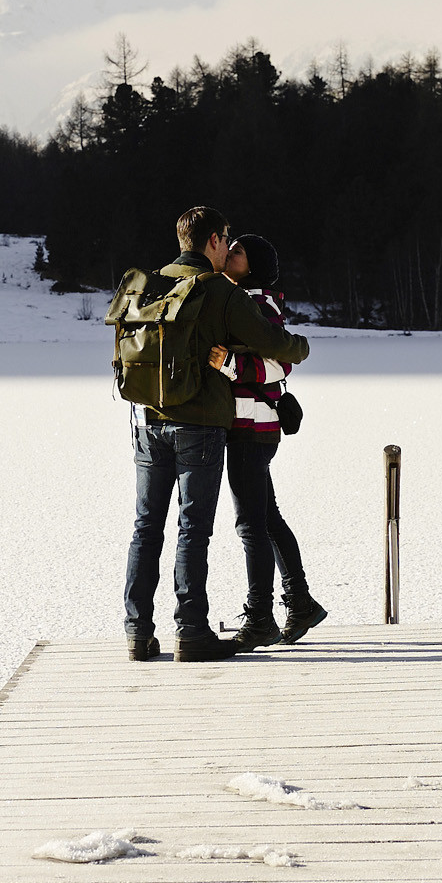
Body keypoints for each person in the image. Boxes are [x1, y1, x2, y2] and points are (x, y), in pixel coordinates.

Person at [122, 206, 310, 663]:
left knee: (146, 528)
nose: (229, 247)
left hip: (147, 420)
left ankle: (138, 633)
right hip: (199, 425)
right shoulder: (220, 292)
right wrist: (301, 347)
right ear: (212, 242)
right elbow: (276, 345)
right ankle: (191, 633)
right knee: (193, 530)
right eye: (226, 239)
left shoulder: (152, 283)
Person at [213, 234, 328, 650]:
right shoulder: (246, 296)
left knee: (251, 525)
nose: (230, 253)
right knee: (268, 518)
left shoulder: (259, 304)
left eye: (238, 251)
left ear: (255, 264)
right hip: (252, 426)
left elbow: (277, 363)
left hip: (252, 426)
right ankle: (300, 603)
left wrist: (228, 364)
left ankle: (260, 616)